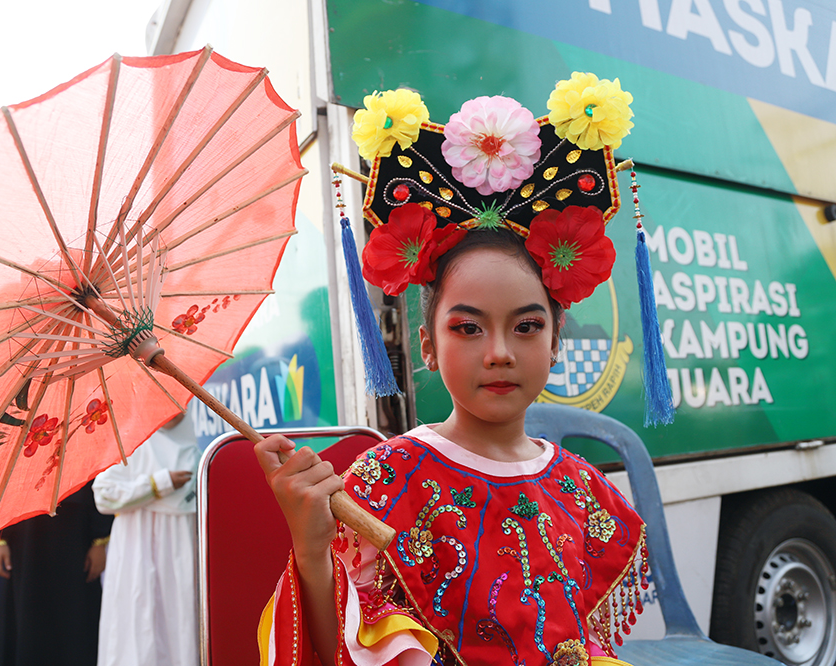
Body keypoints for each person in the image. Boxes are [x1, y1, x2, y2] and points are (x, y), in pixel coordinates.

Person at [254, 78, 649, 665]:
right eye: (467, 328)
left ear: (557, 339)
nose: (499, 352)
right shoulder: (382, 482)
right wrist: (313, 552)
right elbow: (334, 652)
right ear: (428, 345)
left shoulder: (582, 485)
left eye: (527, 326)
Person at [93, 411, 200, 666]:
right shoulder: (131, 441)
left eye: (179, 406)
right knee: (136, 614)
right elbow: (103, 495)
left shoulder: (197, 441)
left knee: (180, 616)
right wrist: (157, 484)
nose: (174, 414)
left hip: (181, 542)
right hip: (136, 543)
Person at [0, 481, 113, 666]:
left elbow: (99, 477)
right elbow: (7, 485)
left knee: (77, 616)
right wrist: (1, 539)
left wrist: (99, 540)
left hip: (76, 536)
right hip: (26, 536)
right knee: (28, 616)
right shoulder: (16, 451)